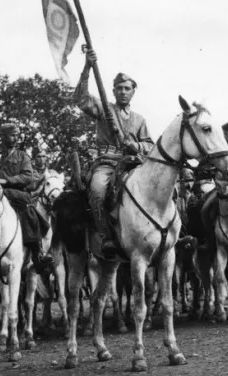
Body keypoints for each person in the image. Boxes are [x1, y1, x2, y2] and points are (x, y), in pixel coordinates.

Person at [75, 48, 154, 257]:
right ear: (113, 91)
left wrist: (136, 146)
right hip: (107, 162)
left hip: (133, 164)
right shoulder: (103, 108)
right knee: (98, 189)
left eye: (127, 88)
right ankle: (106, 236)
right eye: (119, 88)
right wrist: (87, 68)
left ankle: (169, 233)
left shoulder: (139, 119)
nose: (123, 92)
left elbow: (149, 144)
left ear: (133, 91)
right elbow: (80, 100)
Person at [0, 123, 54, 272]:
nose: (16, 138)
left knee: (30, 213)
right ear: (2, 136)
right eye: (12, 135)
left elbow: (28, 177)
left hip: (17, 194)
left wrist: (7, 180)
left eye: (17, 135)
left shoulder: (22, 156)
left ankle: (37, 252)